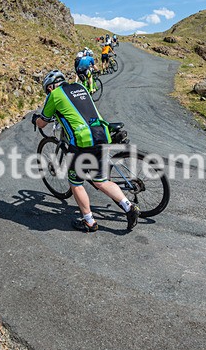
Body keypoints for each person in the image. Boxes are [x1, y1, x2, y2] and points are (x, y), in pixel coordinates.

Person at [32, 70, 140, 232]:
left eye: (47, 89)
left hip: (82, 141)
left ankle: (89, 221)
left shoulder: (54, 95)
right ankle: (129, 207)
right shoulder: (80, 86)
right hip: (101, 133)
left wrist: (35, 119)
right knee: (100, 181)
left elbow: (42, 123)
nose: (48, 92)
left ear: (51, 87)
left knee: (76, 183)